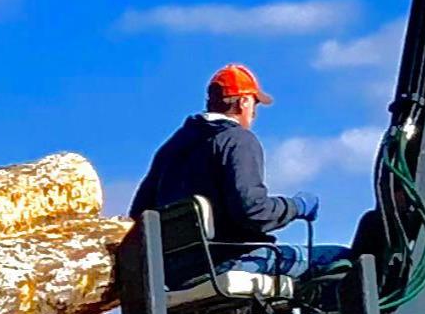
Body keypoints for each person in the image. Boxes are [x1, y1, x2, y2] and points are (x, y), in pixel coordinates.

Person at [130, 63, 310, 255]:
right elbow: (253, 211)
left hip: (175, 272)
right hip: (231, 259)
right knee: (334, 260)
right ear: (243, 103)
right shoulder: (238, 140)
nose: (255, 113)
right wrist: (298, 206)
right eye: (254, 103)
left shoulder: (170, 149)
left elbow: (140, 216)